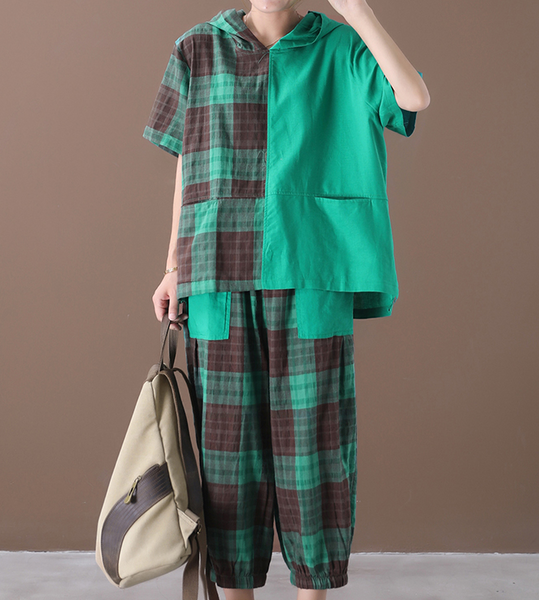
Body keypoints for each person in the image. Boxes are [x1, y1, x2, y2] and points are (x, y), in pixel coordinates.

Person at [144, 1, 430, 599]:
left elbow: (414, 98)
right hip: (217, 272)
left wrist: (356, 10)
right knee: (227, 458)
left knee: (316, 452)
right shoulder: (197, 48)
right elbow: (187, 163)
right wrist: (173, 265)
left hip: (313, 270)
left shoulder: (344, 48)